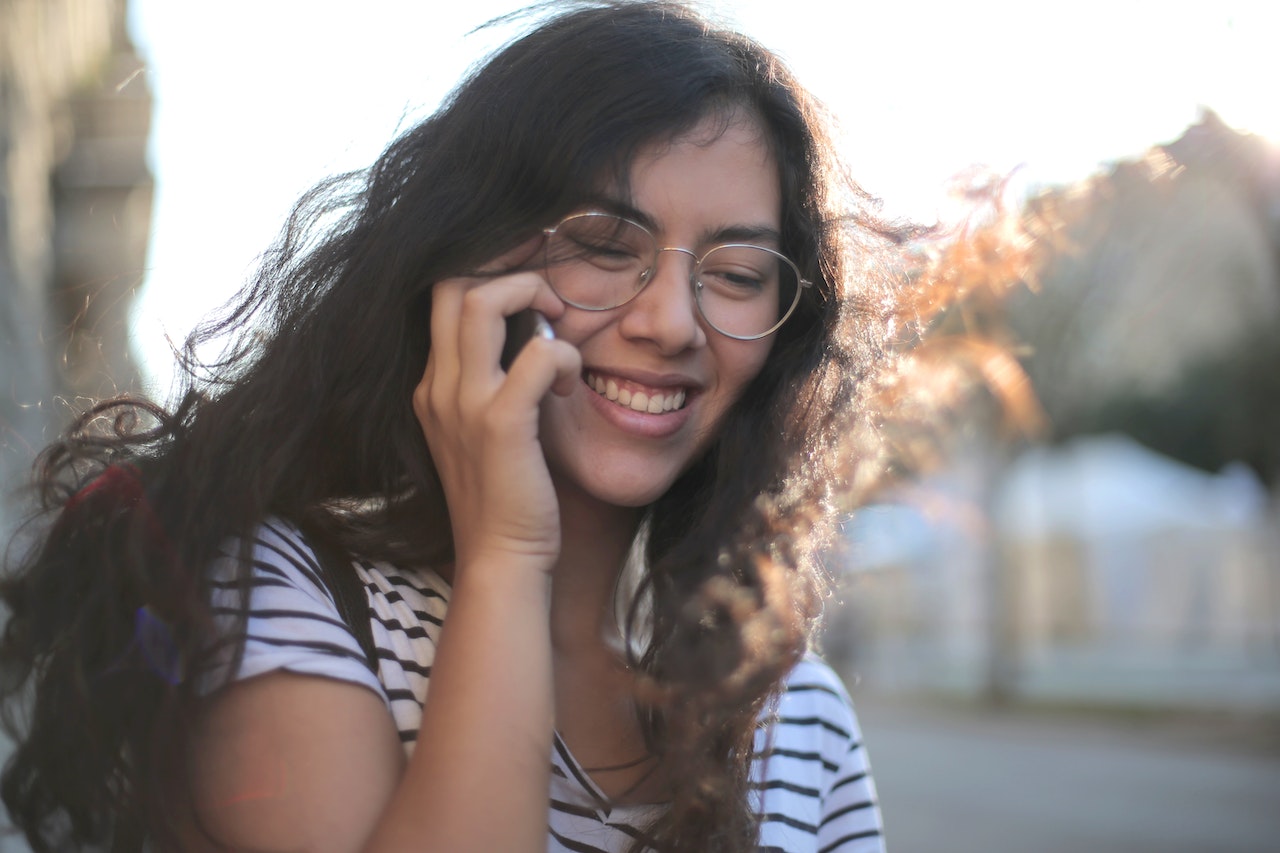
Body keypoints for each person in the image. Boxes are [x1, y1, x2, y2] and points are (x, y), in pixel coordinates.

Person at [0, 2, 935, 850]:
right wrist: (506, 555)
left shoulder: (795, 716)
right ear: (470, 268)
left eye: (736, 274)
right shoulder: (284, 598)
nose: (670, 322)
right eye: (605, 246)